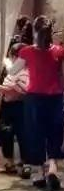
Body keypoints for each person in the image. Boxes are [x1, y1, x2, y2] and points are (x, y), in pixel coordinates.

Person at [11, 15, 64, 190]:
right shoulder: (60, 51)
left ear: (35, 32)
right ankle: (52, 169)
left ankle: (39, 173)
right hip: (54, 99)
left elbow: (13, 71)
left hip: (34, 99)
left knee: (35, 135)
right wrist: (60, 90)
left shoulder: (26, 52)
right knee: (54, 134)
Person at [0, 42, 30, 177]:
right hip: (8, 106)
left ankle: (24, 164)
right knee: (6, 133)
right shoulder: (13, 70)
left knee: (22, 134)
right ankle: (10, 163)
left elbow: (22, 90)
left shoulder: (25, 71)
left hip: (19, 106)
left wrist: (4, 88)